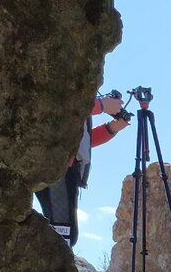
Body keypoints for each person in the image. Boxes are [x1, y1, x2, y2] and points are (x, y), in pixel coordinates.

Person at [35, 94, 130, 247]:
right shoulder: (63, 81)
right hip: (57, 167)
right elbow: (61, 105)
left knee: (65, 232)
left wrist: (112, 128)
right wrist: (102, 105)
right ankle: (52, 269)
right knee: (62, 233)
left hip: (65, 168)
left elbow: (83, 142)